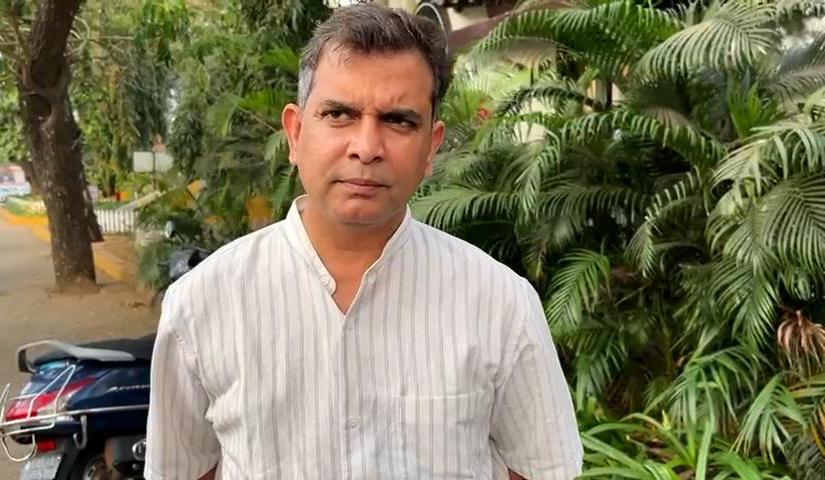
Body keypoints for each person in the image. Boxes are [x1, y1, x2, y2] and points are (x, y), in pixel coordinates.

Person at [144, 3, 582, 479]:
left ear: (432, 146)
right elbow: (187, 470)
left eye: (399, 121)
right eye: (339, 114)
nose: (367, 147)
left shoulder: (501, 304)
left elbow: (538, 469)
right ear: (295, 132)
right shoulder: (201, 306)